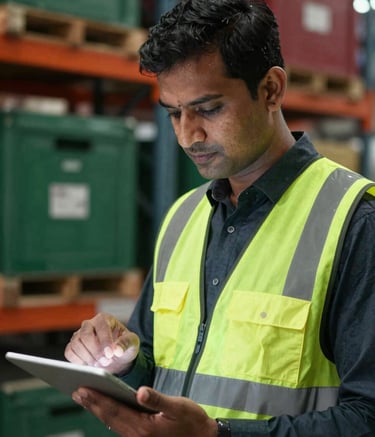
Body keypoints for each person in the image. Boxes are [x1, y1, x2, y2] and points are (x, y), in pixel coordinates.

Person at [64, 0, 375, 435]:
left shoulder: (356, 223)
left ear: (270, 90)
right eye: (174, 113)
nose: (188, 135)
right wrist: (123, 359)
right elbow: (158, 370)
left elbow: (369, 415)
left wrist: (218, 435)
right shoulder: (182, 217)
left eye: (208, 109)